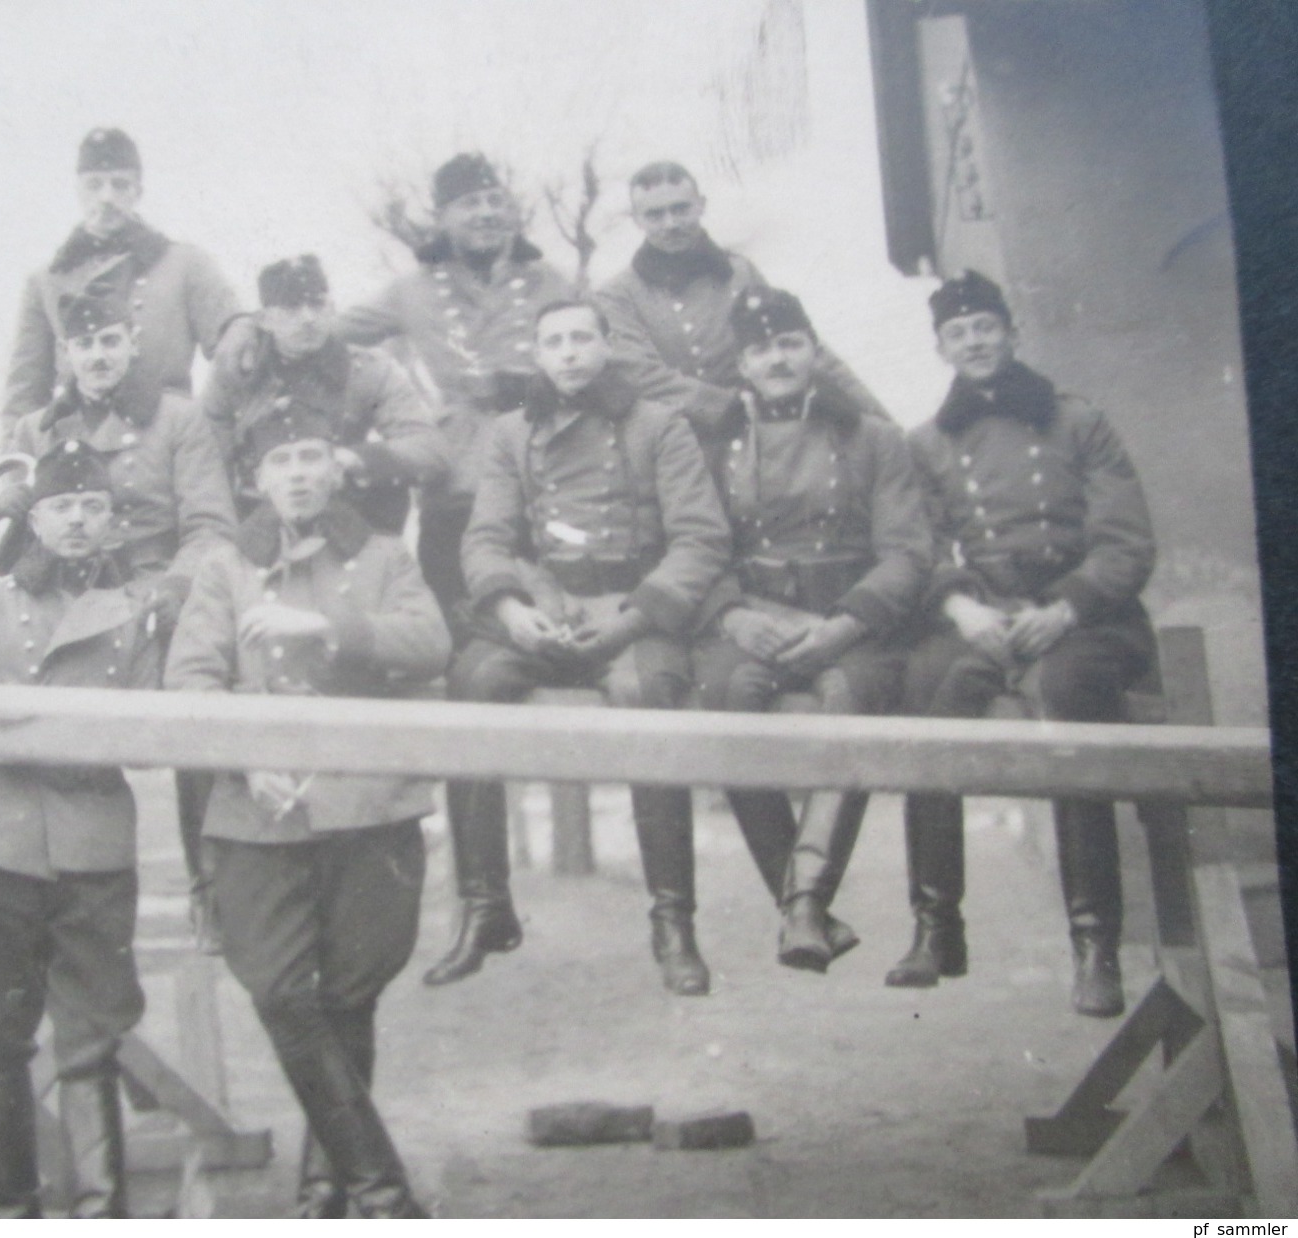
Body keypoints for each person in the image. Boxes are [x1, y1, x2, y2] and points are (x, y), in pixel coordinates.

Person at [0, 287, 235, 923]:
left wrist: (168, 588)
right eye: (84, 344)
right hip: (53, 587)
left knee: (194, 682)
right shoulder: (37, 427)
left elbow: (212, 529)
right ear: (66, 353)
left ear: (132, 344)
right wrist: (8, 516)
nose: (99, 356)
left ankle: (209, 889)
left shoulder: (177, 419)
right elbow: (5, 545)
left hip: (147, 591)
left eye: (110, 340)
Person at [163, 404, 449, 1219]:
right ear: (256, 478)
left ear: (335, 467)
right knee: (281, 990)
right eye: (280, 459)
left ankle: (325, 1190)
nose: (297, 473)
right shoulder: (224, 569)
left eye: (311, 455)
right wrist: (245, 755)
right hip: (259, 815)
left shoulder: (385, 557)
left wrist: (327, 623)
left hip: (368, 804)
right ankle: (380, 1189)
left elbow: (430, 643)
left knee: (352, 993)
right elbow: (190, 679)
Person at [426, 299, 731, 995]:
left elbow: (699, 539)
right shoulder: (509, 432)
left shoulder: (659, 425)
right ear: (536, 354)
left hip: (633, 607)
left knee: (645, 699)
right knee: (470, 685)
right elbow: (486, 536)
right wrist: (508, 606)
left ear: (606, 345)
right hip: (543, 604)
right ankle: (484, 904)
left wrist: (630, 619)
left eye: (581, 339)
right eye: (553, 342)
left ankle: (672, 921)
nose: (568, 354)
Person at [890, 270, 1156, 1018]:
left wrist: (1068, 608)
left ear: (1012, 333)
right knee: (921, 697)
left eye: (985, 327)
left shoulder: (1078, 422)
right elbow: (921, 543)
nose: (973, 342)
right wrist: (958, 605)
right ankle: (936, 925)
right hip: (983, 616)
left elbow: (1126, 542)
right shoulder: (926, 442)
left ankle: (1094, 946)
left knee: (1071, 702)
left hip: (1082, 614)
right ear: (940, 347)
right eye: (957, 332)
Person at [0, 439, 162, 1218]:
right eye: (63, 505)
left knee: (92, 1041)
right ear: (34, 517)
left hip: (90, 848)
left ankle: (102, 1216)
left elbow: (151, 734)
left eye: (94, 505)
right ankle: (12, 1216)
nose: (79, 521)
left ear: (111, 519)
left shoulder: (132, 616)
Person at [215, 153, 575, 623]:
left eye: (494, 200)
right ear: (442, 217)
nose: (486, 213)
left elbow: (599, 349)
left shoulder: (551, 281)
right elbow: (323, 328)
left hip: (546, 463)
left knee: (556, 602)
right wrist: (248, 327)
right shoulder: (413, 291)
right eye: (469, 203)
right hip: (462, 474)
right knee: (457, 609)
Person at [690, 288, 931, 972]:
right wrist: (733, 614)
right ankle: (804, 906)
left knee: (847, 709)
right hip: (751, 621)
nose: (778, 359)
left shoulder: (871, 437)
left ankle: (802, 906)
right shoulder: (711, 445)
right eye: (762, 349)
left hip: (848, 621)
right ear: (742, 362)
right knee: (728, 703)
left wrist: (845, 624)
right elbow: (695, 546)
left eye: (790, 343)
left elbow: (908, 552)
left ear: (813, 351)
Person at [594, 161, 888, 436]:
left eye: (681, 209)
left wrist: (878, 417)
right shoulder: (617, 295)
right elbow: (641, 375)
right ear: (636, 221)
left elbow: (800, 344)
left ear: (701, 206)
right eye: (655, 215)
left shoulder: (739, 272)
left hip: (759, 429)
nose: (670, 223)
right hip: (679, 436)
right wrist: (725, 407)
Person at [4, 127, 241, 420]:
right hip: (77, 449)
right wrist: (17, 460)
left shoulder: (186, 264)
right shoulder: (45, 282)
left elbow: (237, 350)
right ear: (77, 190)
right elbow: (25, 394)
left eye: (120, 185)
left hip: (164, 440)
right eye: (94, 185)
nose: (106, 197)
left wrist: (207, 422)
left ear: (138, 192)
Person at [203, 253, 448, 534]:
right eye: (291, 308)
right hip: (262, 526)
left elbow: (429, 449)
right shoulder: (236, 375)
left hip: (351, 521)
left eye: (316, 304)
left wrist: (355, 459)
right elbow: (209, 466)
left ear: (332, 308)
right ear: (264, 320)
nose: (308, 318)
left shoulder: (367, 370)